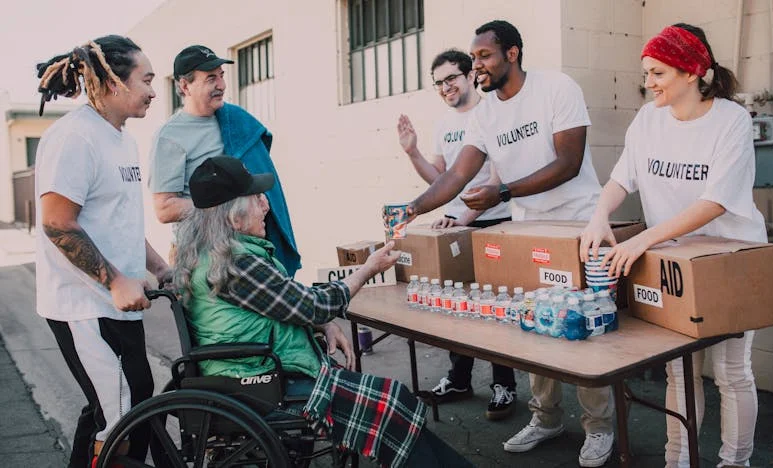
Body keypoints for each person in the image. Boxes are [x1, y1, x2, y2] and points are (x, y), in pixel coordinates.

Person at [173, 156, 475, 468]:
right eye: (256, 199)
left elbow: (285, 305)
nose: (265, 206)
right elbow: (312, 305)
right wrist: (366, 271)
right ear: (233, 218)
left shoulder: (211, 255)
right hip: (262, 384)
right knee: (390, 403)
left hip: (252, 373)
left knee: (393, 403)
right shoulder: (236, 265)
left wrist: (323, 323)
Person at [406, 20, 615, 467]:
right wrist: (414, 207)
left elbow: (570, 162)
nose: (476, 65)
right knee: (536, 326)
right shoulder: (484, 113)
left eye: (484, 56)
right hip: (527, 229)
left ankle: (599, 428)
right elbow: (457, 176)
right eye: (474, 57)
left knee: (582, 331)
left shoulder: (557, 88)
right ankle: (546, 417)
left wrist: (503, 192)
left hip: (577, 223)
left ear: (513, 54)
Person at [580, 24, 764, 468]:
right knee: (678, 370)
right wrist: (598, 215)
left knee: (730, 372)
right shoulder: (648, 119)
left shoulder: (731, 120)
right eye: (646, 71)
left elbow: (715, 201)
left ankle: (735, 461)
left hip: (729, 259)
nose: (649, 82)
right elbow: (623, 177)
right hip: (674, 260)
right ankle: (677, 461)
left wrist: (642, 239)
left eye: (658, 72)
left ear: (693, 72)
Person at [34, 35, 172, 468]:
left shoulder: (122, 139)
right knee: (121, 416)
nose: (153, 90)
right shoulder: (75, 138)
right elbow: (57, 223)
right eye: (146, 80)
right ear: (113, 82)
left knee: (124, 404)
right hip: (84, 306)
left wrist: (160, 268)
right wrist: (114, 281)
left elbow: (118, 222)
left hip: (119, 305)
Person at [397, 49, 514, 419]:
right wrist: (412, 152)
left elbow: (497, 180)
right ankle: (459, 379)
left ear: (469, 76)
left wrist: (464, 216)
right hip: (455, 227)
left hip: (492, 223)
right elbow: (441, 179)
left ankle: (504, 385)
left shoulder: (493, 115)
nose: (445, 87)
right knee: (456, 307)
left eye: (451, 78)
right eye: (439, 83)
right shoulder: (445, 124)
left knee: (496, 309)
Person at [149, 45, 300, 276]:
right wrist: (227, 205)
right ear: (184, 85)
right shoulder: (170, 136)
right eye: (211, 78)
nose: (221, 85)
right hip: (200, 255)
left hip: (248, 249)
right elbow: (164, 209)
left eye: (221, 76)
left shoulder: (235, 120)